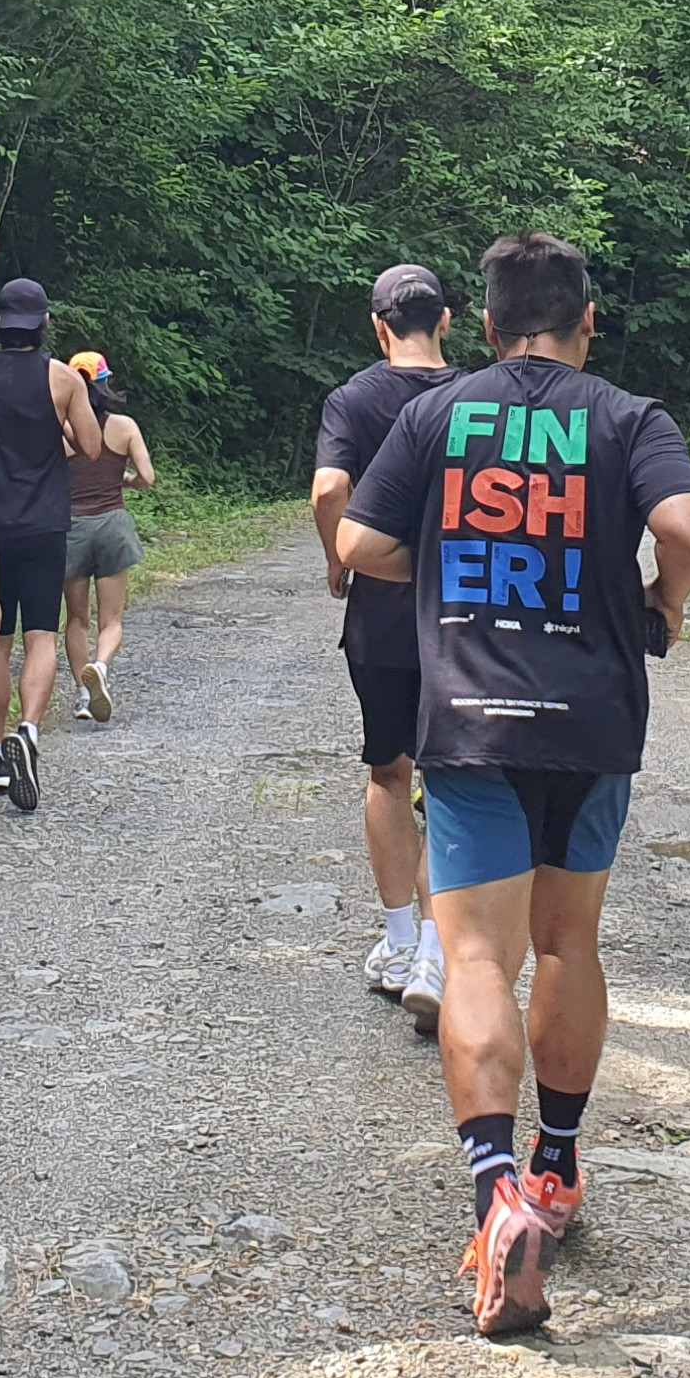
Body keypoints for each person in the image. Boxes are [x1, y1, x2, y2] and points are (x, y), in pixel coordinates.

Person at [339, 231, 690, 1339]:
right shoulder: (626, 416)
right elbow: (688, 527)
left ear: (488, 325)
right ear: (586, 320)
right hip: (592, 721)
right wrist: (661, 594)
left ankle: (494, 1192)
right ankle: (556, 1169)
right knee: (568, 946)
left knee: (471, 958)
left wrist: (447, 559)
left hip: (468, 722)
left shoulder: (435, 414)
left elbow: (360, 540)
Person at [312, 262, 462, 1025]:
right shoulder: (475, 398)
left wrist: (341, 558)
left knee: (388, 771)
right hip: (462, 611)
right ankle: (440, 953)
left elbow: (328, 491)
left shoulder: (354, 398)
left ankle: (399, 939)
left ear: (378, 327)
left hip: (380, 611)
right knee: (453, 782)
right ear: (445, 322)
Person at [0, 275, 102, 812]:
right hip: (44, 523)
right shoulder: (62, 380)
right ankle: (29, 733)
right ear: (43, 323)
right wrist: (54, 432)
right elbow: (91, 444)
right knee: (41, 636)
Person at [59, 352, 159, 721]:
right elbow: (147, 477)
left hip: (72, 527)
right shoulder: (124, 426)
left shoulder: (62, 430)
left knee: (76, 620)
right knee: (111, 620)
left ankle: (83, 696)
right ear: (105, 382)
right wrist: (127, 482)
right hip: (113, 525)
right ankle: (100, 667)